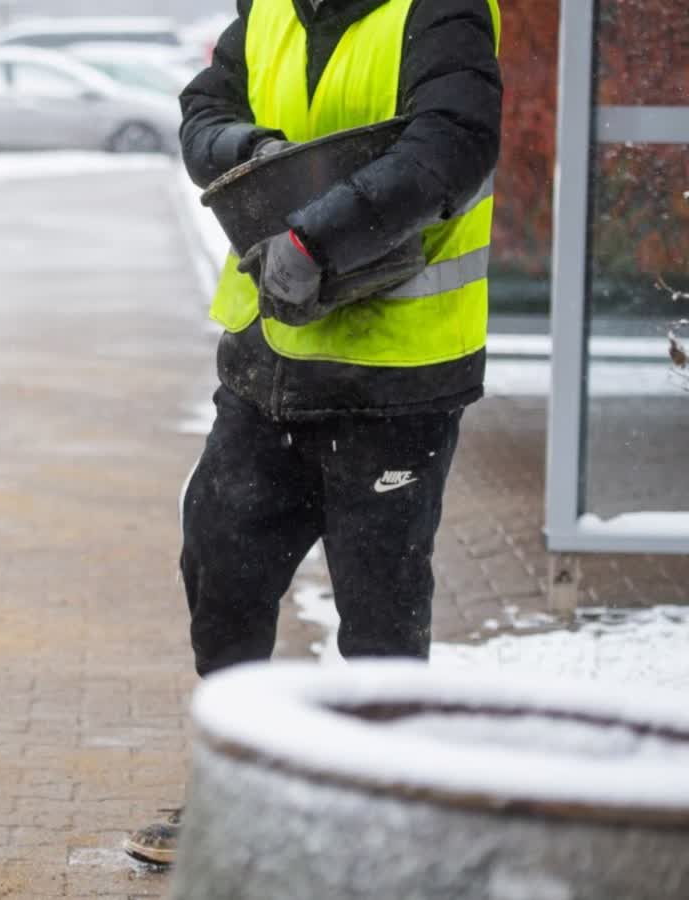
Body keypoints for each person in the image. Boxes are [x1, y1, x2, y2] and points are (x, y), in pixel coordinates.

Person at [125, 0, 501, 864]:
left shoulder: (439, 11)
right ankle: (240, 798)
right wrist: (244, 151)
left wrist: (318, 237)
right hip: (271, 363)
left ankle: (381, 825)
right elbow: (200, 112)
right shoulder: (268, 11)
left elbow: (452, 144)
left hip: (396, 380)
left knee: (379, 613)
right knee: (221, 569)